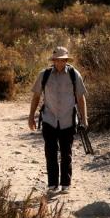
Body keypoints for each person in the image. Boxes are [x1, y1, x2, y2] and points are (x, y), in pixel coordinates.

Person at [28, 46, 88, 194]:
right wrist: (31, 116)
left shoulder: (74, 75)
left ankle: (65, 184)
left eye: (63, 60)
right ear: (53, 60)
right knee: (50, 152)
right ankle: (52, 184)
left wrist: (84, 119)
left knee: (66, 153)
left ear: (66, 60)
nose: (60, 63)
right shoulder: (44, 75)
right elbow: (36, 96)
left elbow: (81, 98)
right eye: (57, 60)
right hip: (49, 119)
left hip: (68, 119)